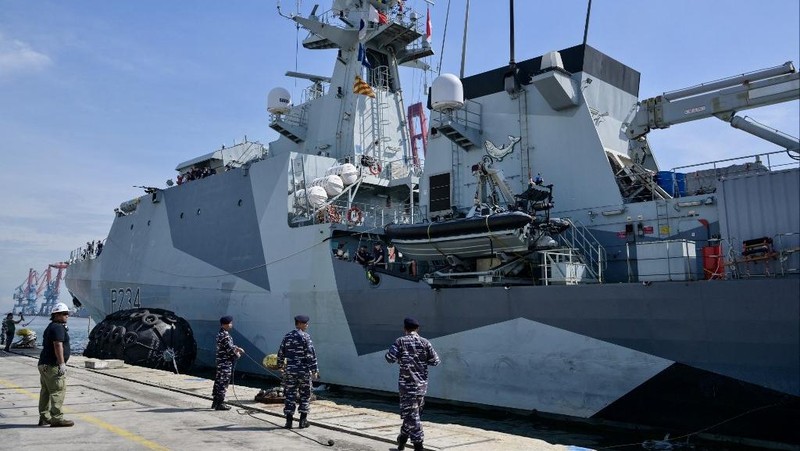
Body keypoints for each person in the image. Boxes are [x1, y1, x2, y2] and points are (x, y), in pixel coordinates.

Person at [385, 317, 440, 451]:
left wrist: (401, 359)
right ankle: (402, 440)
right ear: (418, 328)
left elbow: (389, 358)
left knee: (412, 417)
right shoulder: (425, 342)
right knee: (413, 415)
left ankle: (418, 446)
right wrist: (420, 362)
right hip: (421, 387)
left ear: (405, 329)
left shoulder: (400, 342)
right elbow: (435, 361)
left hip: (407, 386)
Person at [277, 314, 318, 429]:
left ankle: (288, 422)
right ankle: (302, 421)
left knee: (290, 395)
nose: (307, 325)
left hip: (290, 371)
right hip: (304, 372)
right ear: (299, 324)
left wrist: (280, 366)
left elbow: (281, 352)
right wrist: (314, 370)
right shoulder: (306, 337)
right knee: (305, 395)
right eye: (305, 323)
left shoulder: (287, 336)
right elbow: (311, 355)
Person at [37, 303, 73, 427]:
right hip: (52, 366)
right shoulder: (58, 327)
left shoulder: (51, 326)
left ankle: (44, 417)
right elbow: (58, 345)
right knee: (58, 390)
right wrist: (62, 363)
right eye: (64, 313)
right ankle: (57, 418)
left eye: (67, 313)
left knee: (45, 391)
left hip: (44, 364)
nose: (67, 316)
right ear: (56, 315)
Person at [211, 315, 244, 410]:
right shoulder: (225, 335)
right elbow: (229, 350)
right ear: (225, 324)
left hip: (220, 362)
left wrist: (236, 348)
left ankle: (215, 402)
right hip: (225, 363)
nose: (231, 324)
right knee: (223, 382)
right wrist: (237, 354)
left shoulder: (221, 333)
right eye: (230, 323)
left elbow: (228, 346)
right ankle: (220, 403)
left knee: (218, 381)